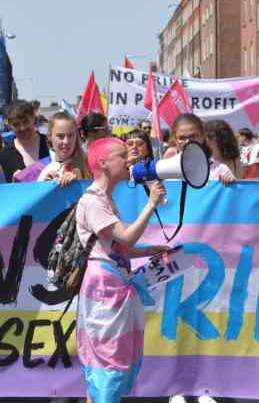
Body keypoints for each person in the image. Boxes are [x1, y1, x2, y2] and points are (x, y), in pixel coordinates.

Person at [75, 136, 168, 403]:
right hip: (104, 289)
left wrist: (150, 251)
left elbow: (116, 247)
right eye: (121, 155)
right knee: (107, 361)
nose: (130, 160)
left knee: (113, 358)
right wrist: (150, 204)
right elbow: (126, 237)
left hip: (113, 284)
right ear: (103, 163)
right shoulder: (92, 201)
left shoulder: (105, 199)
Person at [0, 100, 51, 182]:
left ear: (33, 118)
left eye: (25, 122)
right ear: (9, 125)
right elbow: (1, 190)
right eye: (16, 124)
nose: (22, 128)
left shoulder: (51, 144)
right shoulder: (3, 155)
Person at [37, 112, 91, 186]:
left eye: (70, 136)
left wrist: (79, 183)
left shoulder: (90, 165)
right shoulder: (45, 170)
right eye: (60, 136)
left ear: (76, 136)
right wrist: (44, 186)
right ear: (49, 136)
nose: (66, 141)